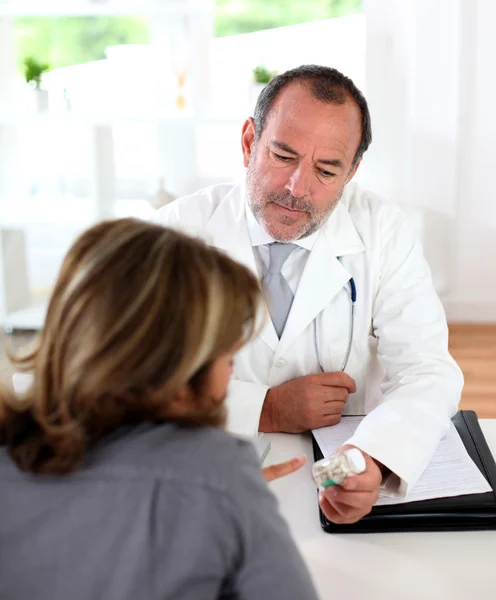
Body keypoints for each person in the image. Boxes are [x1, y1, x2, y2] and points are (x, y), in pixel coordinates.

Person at [155, 64, 464, 525]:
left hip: (337, 483)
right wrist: (267, 408)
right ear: (248, 142)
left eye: (326, 170)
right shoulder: (175, 233)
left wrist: (373, 462)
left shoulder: (383, 231)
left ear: (352, 171)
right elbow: (129, 379)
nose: (298, 188)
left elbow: (427, 369)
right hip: (205, 477)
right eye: (282, 156)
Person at [0, 219, 318, 600]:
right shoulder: (219, 474)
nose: (232, 368)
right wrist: (228, 501)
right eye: (227, 354)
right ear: (174, 365)